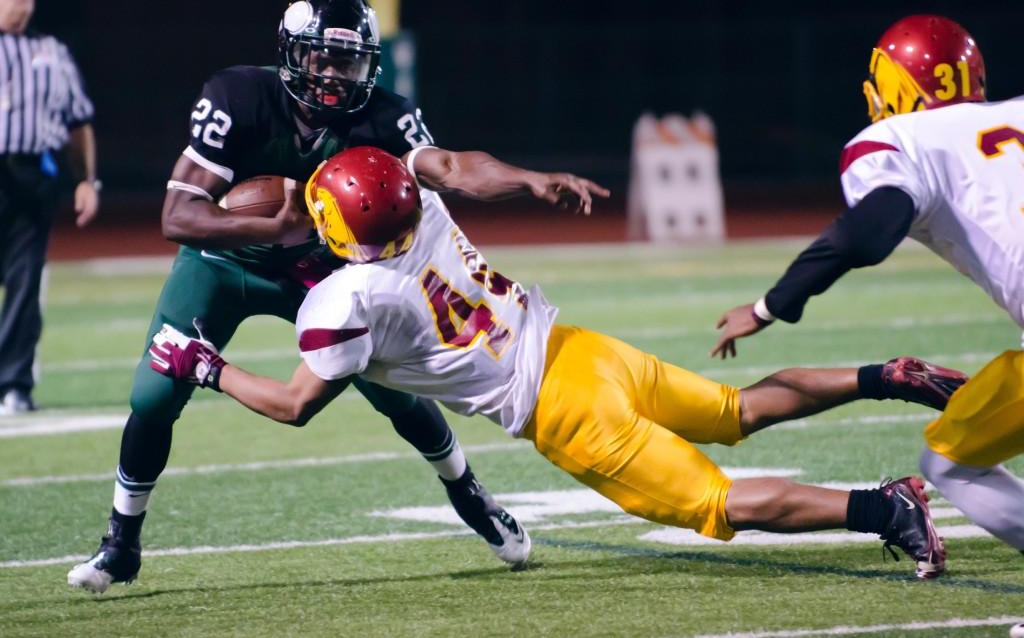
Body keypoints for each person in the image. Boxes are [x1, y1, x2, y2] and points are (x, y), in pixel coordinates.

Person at [149, 146, 959, 579]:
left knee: (718, 503)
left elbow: (296, 404)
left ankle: (885, 511)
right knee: (735, 410)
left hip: (561, 409)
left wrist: (203, 364)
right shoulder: (425, 209)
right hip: (581, 350)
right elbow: (431, 176)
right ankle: (882, 377)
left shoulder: (343, 302)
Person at [67, 0, 607, 594]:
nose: (332, 75)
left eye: (347, 62)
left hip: (315, 271)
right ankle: (122, 542)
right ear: (292, 55)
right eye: (320, 59)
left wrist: (527, 179)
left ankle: (468, 491)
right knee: (152, 396)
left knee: (394, 387)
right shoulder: (238, 95)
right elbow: (177, 216)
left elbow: (452, 168)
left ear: (367, 64)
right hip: (221, 261)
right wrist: (269, 226)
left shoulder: (382, 114)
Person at [711, 14, 1024, 553]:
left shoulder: (896, 138)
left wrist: (768, 306)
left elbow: (869, 233)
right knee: (955, 449)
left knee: (953, 462)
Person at [0, 0, 100, 414]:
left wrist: (85, 180)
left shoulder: (52, 51)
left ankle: (13, 384)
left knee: (24, 283)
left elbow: (77, 120)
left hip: (30, 179)